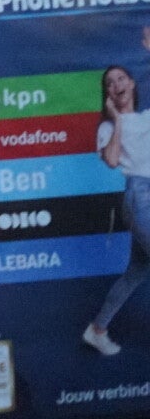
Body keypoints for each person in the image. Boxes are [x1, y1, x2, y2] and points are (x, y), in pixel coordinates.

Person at [85, 64, 150, 356]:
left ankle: (97, 330)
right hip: (140, 198)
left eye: (121, 78)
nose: (116, 84)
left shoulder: (147, 118)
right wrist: (116, 120)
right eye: (110, 83)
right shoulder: (107, 128)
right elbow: (112, 161)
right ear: (108, 94)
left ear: (132, 84)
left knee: (136, 271)